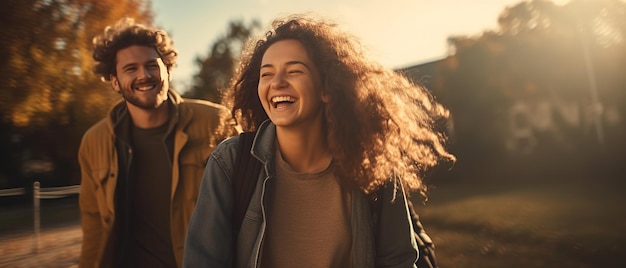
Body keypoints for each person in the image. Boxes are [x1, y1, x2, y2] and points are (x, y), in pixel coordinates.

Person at [183, 14, 455, 268]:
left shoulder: (371, 162)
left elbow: (400, 260)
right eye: (266, 74)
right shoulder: (230, 161)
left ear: (327, 89)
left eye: (294, 71)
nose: (276, 82)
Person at [78, 18, 239, 267]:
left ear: (168, 69)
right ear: (114, 81)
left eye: (152, 65)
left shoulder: (216, 121)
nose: (144, 75)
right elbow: (94, 227)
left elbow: (246, 202)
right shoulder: (94, 141)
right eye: (130, 69)